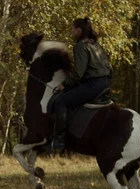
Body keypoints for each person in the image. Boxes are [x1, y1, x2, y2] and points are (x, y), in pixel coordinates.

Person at [47, 17, 113, 152]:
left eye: (72, 28)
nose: (71, 31)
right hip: (105, 83)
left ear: (78, 30)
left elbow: (79, 73)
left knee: (61, 101)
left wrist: (64, 85)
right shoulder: (95, 44)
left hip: (93, 85)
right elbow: (110, 68)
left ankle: (59, 142)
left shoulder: (81, 46)